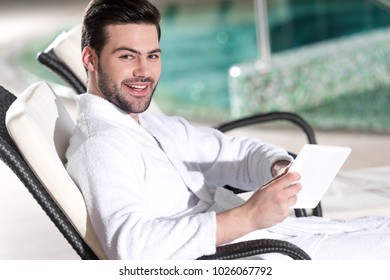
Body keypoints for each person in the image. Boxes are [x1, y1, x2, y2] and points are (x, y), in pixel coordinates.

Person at [66, 0, 390, 260]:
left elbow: (233, 151)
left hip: (268, 241)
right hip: (253, 257)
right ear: (90, 59)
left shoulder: (149, 125)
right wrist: (248, 217)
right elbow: (134, 249)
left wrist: (276, 166)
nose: (144, 71)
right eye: (127, 56)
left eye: (152, 56)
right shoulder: (102, 146)